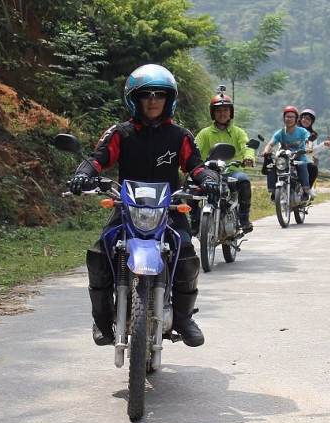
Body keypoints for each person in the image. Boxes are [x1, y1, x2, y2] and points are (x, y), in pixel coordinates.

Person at [69, 64, 220, 348]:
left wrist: (209, 180)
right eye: (146, 94)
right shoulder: (120, 133)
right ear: (134, 99)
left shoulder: (180, 136)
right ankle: (102, 319)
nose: (153, 100)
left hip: (170, 209)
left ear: (168, 99)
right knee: (100, 253)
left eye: (159, 94)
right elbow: (99, 158)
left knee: (186, 254)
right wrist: (83, 174)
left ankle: (184, 318)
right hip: (126, 207)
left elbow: (196, 166)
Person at [195, 90, 255, 233]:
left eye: (226, 110)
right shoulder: (205, 133)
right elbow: (194, 148)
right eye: (218, 110)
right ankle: (195, 220)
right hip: (209, 173)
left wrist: (248, 158)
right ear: (213, 113)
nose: (222, 113)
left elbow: (247, 147)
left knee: (244, 181)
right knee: (192, 187)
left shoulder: (238, 132)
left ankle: (244, 217)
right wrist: (195, 162)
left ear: (231, 112)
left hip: (231, 171)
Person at [260, 106, 313, 200]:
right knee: (271, 166)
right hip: (284, 159)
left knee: (302, 165)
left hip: (298, 157)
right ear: (284, 118)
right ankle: (273, 192)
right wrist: (265, 151)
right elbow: (270, 144)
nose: (289, 119)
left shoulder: (302, 131)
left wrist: (309, 148)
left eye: (292, 117)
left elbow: (309, 140)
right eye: (287, 117)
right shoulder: (280, 133)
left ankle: (305, 191)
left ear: (296, 119)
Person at [297, 109, 320, 190]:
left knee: (313, 168)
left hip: (305, 159)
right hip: (290, 158)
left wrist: (323, 145)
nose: (306, 121)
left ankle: (306, 190)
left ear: (312, 122)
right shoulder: (292, 129)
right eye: (305, 118)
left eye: (309, 119)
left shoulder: (312, 135)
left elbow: (313, 150)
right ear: (300, 118)